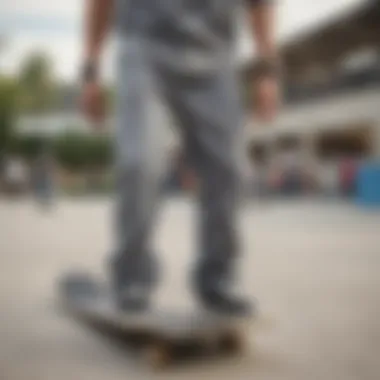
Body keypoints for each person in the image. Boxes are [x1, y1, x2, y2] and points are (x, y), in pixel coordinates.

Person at [80, 0, 280, 315]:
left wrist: (266, 71)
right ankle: (132, 277)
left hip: (216, 56)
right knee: (139, 164)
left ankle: (217, 279)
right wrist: (91, 69)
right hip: (145, 51)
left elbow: (260, 5)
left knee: (230, 170)